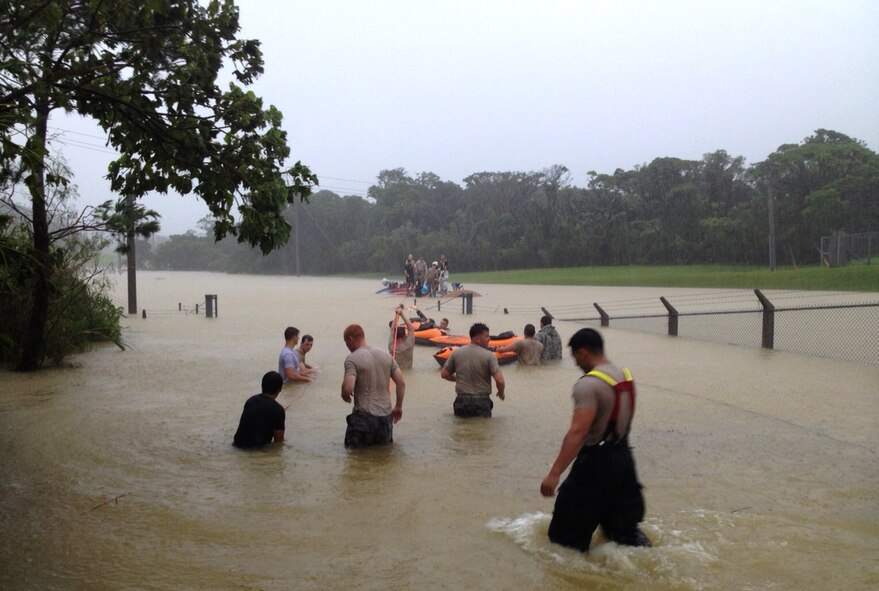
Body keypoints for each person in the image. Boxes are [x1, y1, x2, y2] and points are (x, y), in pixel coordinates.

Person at [540, 328, 651, 552]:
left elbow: (578, 432)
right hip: (624, 460)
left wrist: (554, 474)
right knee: (624, 535)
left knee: (564, 540)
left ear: (583, 353)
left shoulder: (587, 385)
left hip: (596, 463)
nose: (576, 363)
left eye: (575, 357)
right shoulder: (624, 376)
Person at [341, 323, 406, 448]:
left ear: (350, 339)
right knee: (382, 459)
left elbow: (348, 387)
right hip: (385, 420)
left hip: (363, 420)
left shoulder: (352, 359)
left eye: (346, 342)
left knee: (355, 462)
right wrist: (398, 406)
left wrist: (344, 394)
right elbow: (401, 383)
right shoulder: (387, 355)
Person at [440, 322, 505, 417]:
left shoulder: (456, 353)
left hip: (461, 401)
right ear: (478, 339)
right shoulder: (489, 356)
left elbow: (444, 374)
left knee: (462, 429)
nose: (489, 339)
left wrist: (458, 379)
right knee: (482, 430)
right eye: (486, 336)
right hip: (481, 402)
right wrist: (501, 393)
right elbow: (500, 381)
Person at [232, 371, 286, 448]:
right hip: (257, 451)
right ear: (280, 389)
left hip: (237, 446)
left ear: (262, 385)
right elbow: (278, 442)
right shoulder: (278, 410)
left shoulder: (250, 401)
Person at [388, 305, 416, 369]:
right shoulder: (408, 345)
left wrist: (396, 315)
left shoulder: (391, 346)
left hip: (394, 373)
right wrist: (401, 314)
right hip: (407, 372)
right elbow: (411, 329)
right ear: (404, 335)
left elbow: (392, 329)